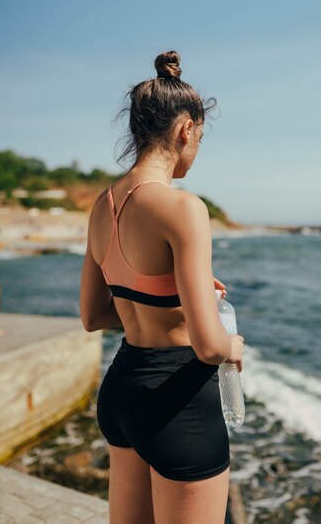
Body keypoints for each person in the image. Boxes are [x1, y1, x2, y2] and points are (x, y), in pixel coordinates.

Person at [79, 50, 245, 524]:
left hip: (122, 392)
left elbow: (94, 316)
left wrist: (168, 299)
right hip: (179, 404)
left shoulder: (102, 206)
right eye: (200, 138)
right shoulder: (184, 208)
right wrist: (232, 341)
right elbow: (209, 347)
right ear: (184, 130)